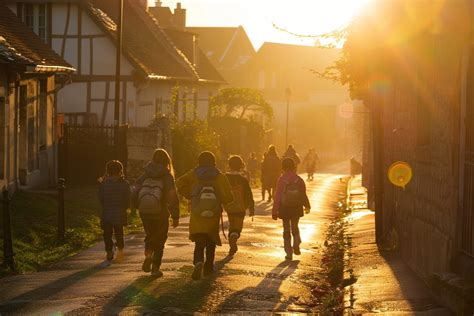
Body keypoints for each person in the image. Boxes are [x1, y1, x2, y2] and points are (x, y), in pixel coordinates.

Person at [176, 151, 234, 280]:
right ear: (214, 162)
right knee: (211, 240)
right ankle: (208, 268)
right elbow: (229, 197)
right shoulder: (220, 176)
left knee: (199, 239)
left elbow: (179, 183)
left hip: (197, 213)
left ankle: (198, 262)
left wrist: (191, 195)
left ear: (199, 161)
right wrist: (220, 199)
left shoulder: (194, 174)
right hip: (213, 214)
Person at [133, 149, 180, 277]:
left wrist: (136, 205)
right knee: (160, 240)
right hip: (161, 212)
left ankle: (148, 256)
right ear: (167, 161)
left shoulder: (145, 174)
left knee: (149, 236)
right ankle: (155, 268)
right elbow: (172, 196)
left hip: (145, 211)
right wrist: (175, 216)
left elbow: (135, 189)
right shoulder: (167, 176)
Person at [272, 158, 311, 260]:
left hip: (284, 208)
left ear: (283, 167)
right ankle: (297, 243)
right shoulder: (299, 180)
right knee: (295, 226)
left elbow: (277, 197)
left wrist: (274, 210)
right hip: (296, 207)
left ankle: (288, 252)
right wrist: (307, 206)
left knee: (286, 230)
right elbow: (303, 195)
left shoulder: (281, 180)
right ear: (294, 167)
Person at [98, 160, 131, 262]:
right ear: (120, 170)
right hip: (119, 213)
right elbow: (127, 199)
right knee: (119, 233)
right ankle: (120, 250)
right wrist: (124, 207)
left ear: (107, 171)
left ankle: (109, 251)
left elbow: (101, 198)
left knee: (107, 233)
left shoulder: (104, 184)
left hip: (107, 213)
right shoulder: (124, 184)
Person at [225, 155, 255, 255]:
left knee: (231, 223)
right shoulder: (243, 180)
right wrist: (251, 207)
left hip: (229, 206)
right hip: (241, 207)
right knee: (237, 227)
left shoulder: (225, 178)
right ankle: (234, 236)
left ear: (229, 165)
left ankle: (231, 238)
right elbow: (249, 195)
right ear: (241, 165)